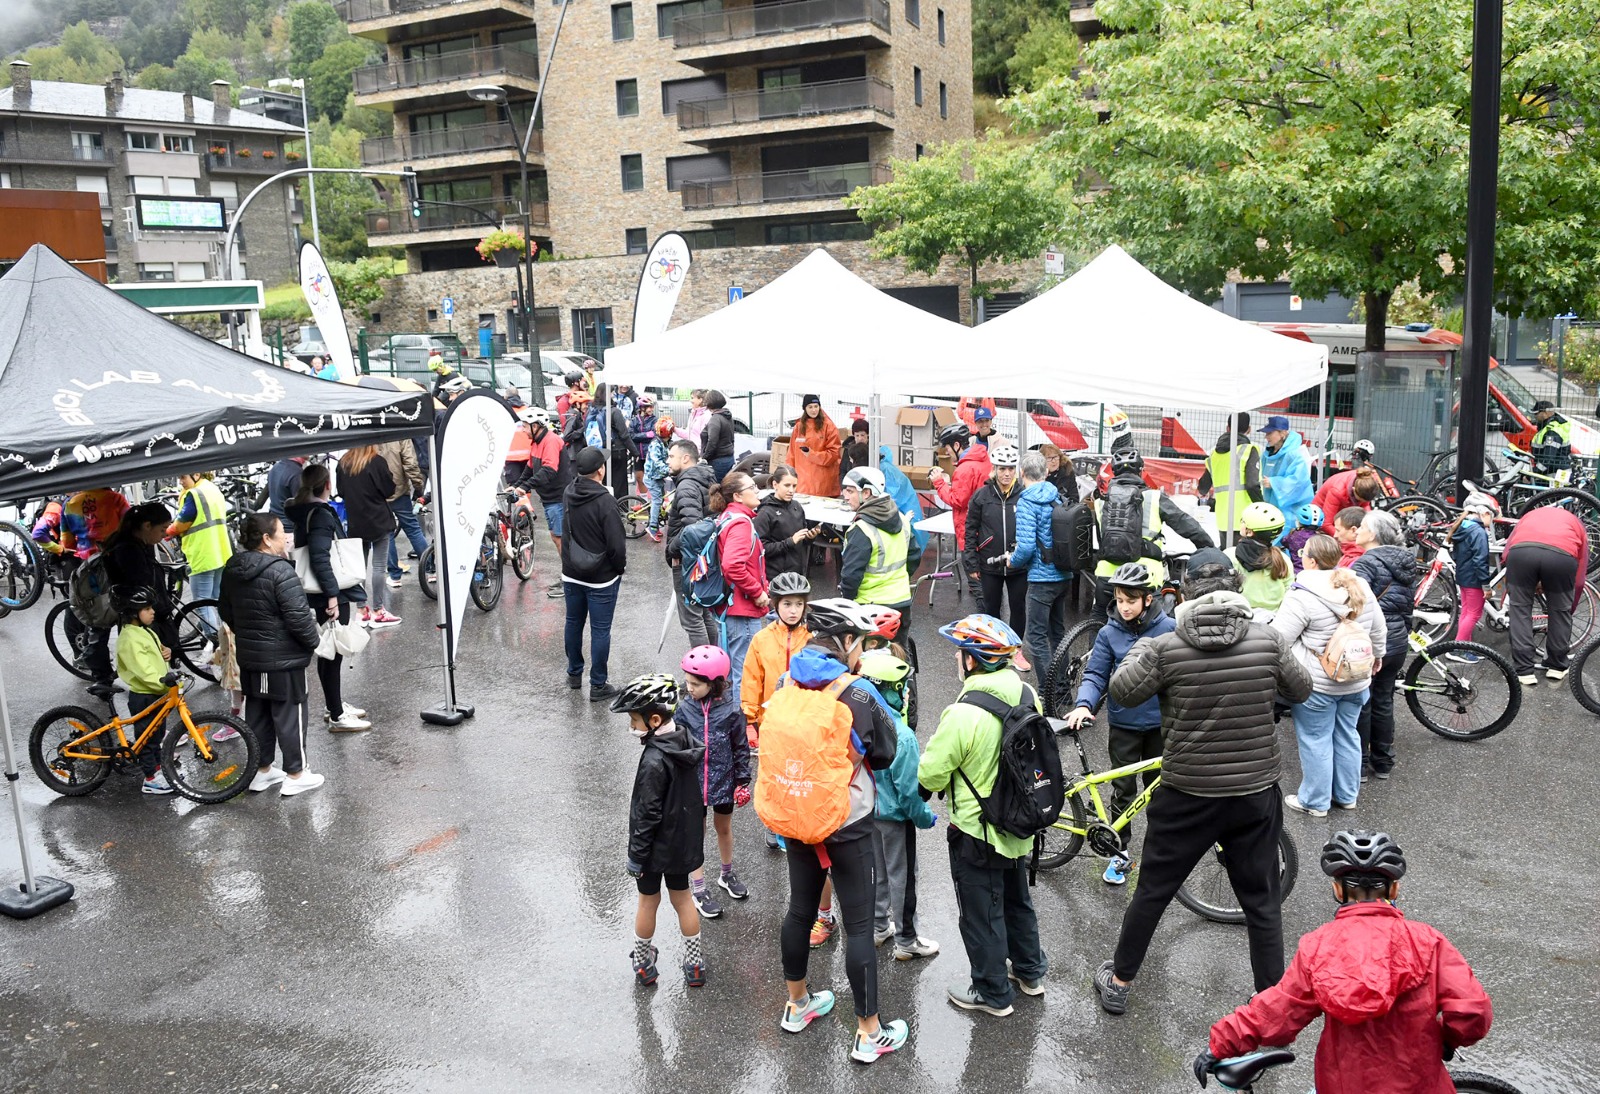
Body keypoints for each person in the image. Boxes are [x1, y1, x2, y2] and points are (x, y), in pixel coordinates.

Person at [1095, 549, 1312, 1013]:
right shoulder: (1267, 640)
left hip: (1187, 793)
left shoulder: (1165, 646)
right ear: (1236, 588)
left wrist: (1139, 646)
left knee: (1153, 889)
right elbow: (1302, 689)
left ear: (1185, 589)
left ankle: (1119, 981)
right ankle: (1270, 1002)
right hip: (1254, 792)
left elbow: (1122, 691)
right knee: (1261, 898)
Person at [1200, 831, 1492, 1094]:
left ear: (1338, 891)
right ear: (1393, 890)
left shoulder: (1318, 946)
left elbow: (1277, 1011)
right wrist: (1447, 1040)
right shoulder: (1428, 942)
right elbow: (1473, 1012)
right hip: (1417, 1082)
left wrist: (1221, 1043)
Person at [756, 598, 907, 1064]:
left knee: (800, 909)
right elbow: (885, 752)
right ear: (846, 643)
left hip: (796, 813)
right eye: (859, 643)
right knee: (859, 923)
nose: (861, 653)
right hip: (847, 821)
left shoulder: (787, 681)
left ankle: (797, 1004)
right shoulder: (858, 692)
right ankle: (868, 1032)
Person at [918, 613, 1048, 1018]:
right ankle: (1030, 974)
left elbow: (932, 771)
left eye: (961, 653)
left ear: (972, 661)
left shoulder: (964, 712)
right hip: (1020, 821)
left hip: (977, 827)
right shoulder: (1027, 693)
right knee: (1016, 898)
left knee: (981, 911)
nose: (958, 660)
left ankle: (992, 993)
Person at [1063, 562, 1175, 885]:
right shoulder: (1108, 632)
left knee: (1161, 792)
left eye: (1131, 600)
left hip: (1160, 724)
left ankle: (1159, 853)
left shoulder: (1168, 628)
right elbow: (1096, 673)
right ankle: (1119, 851)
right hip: (1124, 724)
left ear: (1148, 599)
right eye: (1120, 600)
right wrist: (1083, 704)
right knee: (1123, 792)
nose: (1124, 607)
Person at [1274, 535, 1386, 817]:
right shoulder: (1359, 586)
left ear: (1310, 560)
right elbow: (1377, 628)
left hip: (1316, 684)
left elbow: (1279, 639)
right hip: (1356, 678)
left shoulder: (1302, 594)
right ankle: (1347, 796)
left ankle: (1315, 801)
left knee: (1316, 738)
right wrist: (1378, 657)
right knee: (1348, 734)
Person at [218, 512, 325, 797]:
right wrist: (314, 643)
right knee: (290, 712)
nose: (286, 538)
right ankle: (296, 773)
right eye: (281, 533)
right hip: (284, 659)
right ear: (266, 539)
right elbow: (299, 619)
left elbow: (225, 611)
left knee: (259, 712)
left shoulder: (232, 568)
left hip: (251, 656)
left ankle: (262, 770)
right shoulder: (280, 571)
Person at [613, 673, 707, 988]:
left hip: (653, 851)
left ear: (654, 720)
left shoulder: (653, 759)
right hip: (680, 846)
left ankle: (643, 961)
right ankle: (694, 964)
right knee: (683, 900)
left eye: (635, 719)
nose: (632, 726)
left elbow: (646, 814)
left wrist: (636, 857)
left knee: (647, 902)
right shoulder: (683, 740)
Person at [857, 649, 939, 962]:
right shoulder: (902, 736)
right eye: (902, 686)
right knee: (903, 878)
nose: (905, 692)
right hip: (895, 820)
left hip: (866, 812)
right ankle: (908, 939)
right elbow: (909, 791)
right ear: (891, 689)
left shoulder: (856, 721)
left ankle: (879, 926)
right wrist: (925, 817)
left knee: (875, 871)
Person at [285, 464, 370, 732]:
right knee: (332, 652)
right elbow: (322, 556)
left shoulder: (301, 509)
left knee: (328, 651)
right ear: (327, 484)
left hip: (321, 590)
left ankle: (333, 705)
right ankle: (336, 714)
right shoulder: (319, 514)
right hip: (330, 590)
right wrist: (333, 596)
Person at [1092, 447, 1215, 620]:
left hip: (1107, 576)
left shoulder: (1100, 501)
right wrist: (1208, 547)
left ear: (1114, 472)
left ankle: (1095, 647)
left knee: (1099, 619)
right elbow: (1185, 524)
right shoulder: (1154, 498)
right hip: (1144, 576)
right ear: (1141, 471)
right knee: (1154, 627)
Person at [678, 645, 751, 918]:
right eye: (687, 682)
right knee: (696, 833)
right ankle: (698, 888)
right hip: (693, 784)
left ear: (715, 683)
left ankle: (726, 874)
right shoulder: (684, 709)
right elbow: (674, 745)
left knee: (724, 827)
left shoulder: (731, 711)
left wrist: (742, 780)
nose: (689, 688)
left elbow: (741, 747)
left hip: (723, 782)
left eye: (695, 684)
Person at [1350, 510, 1417, 781]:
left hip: (1370, 641)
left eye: (1361, 527)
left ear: (1373, 535)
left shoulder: (1364, 565)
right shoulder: (1406, 562)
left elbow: (1353, 605)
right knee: (1384, 700)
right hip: (1397, 641)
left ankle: (1361, 763)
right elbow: (1408, 606)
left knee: (1362, 701)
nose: (1356, 531)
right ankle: (1384, 762)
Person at [561, 447, 628, 701]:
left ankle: (574, 673)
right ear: (601, 470)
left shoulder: (569, 491)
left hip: (571, 571)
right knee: (600, 630)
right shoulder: (605, 501)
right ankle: (598, 684)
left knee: (573, 622)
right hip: (601, 577)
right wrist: (618, 568)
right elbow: (616, 544)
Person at [1502, 502, 1588, 686]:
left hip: (1521, 553)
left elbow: (1507, 550)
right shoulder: (1575, 522)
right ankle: (1556, 667)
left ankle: (1524, 670)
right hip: (1561, 556)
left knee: (1520, 610)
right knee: (1559, 612)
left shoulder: (1530, 515)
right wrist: (1570, 606)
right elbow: (1580, 572)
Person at [963, 443, 1031, 669]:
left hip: (1017, 563)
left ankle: (1016, 650)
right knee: (991, 607)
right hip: (989, 562)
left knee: (1018, 607)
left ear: (1016, 470)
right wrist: (971, 561)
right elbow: (970, 529)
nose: (1006, 473)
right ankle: (993, 648)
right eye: (1002, 468)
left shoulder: (1023, 495)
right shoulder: (981, 496)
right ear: (994, 469)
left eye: (1011, 468)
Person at [708, 471, 769, 710]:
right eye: (752, 487)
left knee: (732, 670)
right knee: (743, 672)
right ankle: (740, 727)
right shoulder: (741, 523)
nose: (757, 490)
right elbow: (732, 565)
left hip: (731, 606)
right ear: (737, 496)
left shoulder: (728, 516)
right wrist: (757, 592)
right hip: (742, 609)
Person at [1010, 452, 1070, 673]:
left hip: (1041, 577)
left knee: (1036, 637)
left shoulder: (1027, 502)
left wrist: (1012, 562)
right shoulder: (1057, 496)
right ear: (1046, 472)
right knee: (1058, 634)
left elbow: (1025, 547)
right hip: (1063, 575)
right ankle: (1063, 689)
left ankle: (1048, 692)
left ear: (1021, 473)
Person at [114, 587, 175, 795]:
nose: (153, 612)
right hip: (145, 694)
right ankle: (150, 778)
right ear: (133, 613)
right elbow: (143, 671)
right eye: (147, 609)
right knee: (147, 739)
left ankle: (158, 770)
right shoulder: (129, 638)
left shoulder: (144, 631)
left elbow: (155, 653)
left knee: (156, 736)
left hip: (157, 692)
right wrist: (165, 683)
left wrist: (165, 651)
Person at [839, 466, 919, 625]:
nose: (845, 496)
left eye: (850, 491)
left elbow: (851, 574)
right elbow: (914, 556)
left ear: (866, 493)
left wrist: (847, 601)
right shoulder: (902, 519)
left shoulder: (861, 529)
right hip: (901, 602)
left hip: (870, 607)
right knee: (899, 650)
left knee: (868, 650)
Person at [513, 406, 576, 599]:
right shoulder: (536, 441)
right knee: (558, 537)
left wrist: (526, 487)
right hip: (550, 499)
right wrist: (517, 485)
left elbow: (549, 470)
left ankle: (570, 580)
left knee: (561, 539)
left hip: (558, 497)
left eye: (525, 426)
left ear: (536, 425)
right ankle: (569, 576)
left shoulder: (551, 441)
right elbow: (530, 468)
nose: (523, 430)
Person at [337, 446, 401, 629]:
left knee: (360, 567)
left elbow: (341, 491)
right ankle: (379, 610)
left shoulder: (344, 463)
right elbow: (389, 489)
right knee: (379, 566)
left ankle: (361, 610)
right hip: (379, 520)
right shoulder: (376, 461)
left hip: (356, 520)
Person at [166, 471, 231, 639]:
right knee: (215, 600)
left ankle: (215, 641)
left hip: (202, 553)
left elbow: (181, 523)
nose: (180, 481)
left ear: (196, 474)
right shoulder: (213, 489)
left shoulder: (194, 494)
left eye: (183, 477)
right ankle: (226, 640)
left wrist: (166, 531)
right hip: (220, 552)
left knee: (202, 602)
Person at [665, 440, 718, 649]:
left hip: (689, 561)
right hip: (704, 559)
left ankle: (703, 676)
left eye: (671, 457)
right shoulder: (705, 477)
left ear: (685, 458)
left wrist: (672, 548)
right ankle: (714, 669)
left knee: (693, 620)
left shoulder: (687, 484)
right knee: (705, 615)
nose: (668, 461)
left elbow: (693, 528)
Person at [930, 422, 992, 599]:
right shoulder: (982, 460)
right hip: (986, 531)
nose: (947, 453)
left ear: (956, 445)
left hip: (970, 534)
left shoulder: (965, 468)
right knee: (988, 588)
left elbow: (957, 500)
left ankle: (984, 622)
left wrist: (939, 482)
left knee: (978, 589)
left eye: (948, 449)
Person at [1197, 413, 1262, 533]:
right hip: (1246, 520)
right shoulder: (1249, 451)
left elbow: (1202, 488)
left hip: (1222, 520)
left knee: (1227, 552)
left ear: (1227, 428)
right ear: (1249, 429)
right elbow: (1252, 484)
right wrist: (1262, 506)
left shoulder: (1214, 455)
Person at [1226, 503, 1293, 615]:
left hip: (1240, 617)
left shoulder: (1231, 555)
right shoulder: (1283, 559)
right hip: (1274, 619)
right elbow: (1289, 592)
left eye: (1243, 521)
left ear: (1249, 531)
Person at [1448, 494, 1496, 648]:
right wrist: (1486, 586)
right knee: (1474, 615)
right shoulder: (1479, 532)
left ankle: (1464, 646)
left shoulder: (1463, 527)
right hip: (1474, 580)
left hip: (1463, 577)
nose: (1492, 522)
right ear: (1485, 513)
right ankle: (1458, 649)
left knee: (1466, 612)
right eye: (1492, 517)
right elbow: (1480, 560)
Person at [379, 438, 427, 589]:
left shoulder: (370, 427)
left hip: (377, 491)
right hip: (399, 489)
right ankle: (431, 568)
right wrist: (418, 485)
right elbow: (410, 463)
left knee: (387, 533)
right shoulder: (400, 432)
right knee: (413, 529)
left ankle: (394, 576)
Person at [754, 464, 815, 577]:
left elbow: (801, 540)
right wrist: (790, 542)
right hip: (775, 575)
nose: (791, 490)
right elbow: (761, 548)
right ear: (775, 484)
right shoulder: (765, 512)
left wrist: (809, 537)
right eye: (787, 485)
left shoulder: (797, 506)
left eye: (794, 486)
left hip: (796, 573)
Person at [1258, 415, 1313, 521]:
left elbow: (1299, 482)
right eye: (1266, 433)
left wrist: (1274, 483)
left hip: (1290, 514)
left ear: (1283, 433)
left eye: (1270, 433)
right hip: (1271, 511)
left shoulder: (1294, 454)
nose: (1266, 437)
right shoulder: (1267, 455)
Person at [791, 394, 842, 497]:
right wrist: (789, 474)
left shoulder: (829, 426)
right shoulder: (799, 427)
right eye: (810, 407)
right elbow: (791, 454)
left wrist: (811, 454)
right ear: (805, 408)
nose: (814, 410)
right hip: (802, 483)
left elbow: (834, 454)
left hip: (823, 483)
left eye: (816, 406)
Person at [1313, 467, 1387, 533]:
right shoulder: (1337, 491)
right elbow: (1326, 524)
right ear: (1353, 490)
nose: (1361, 503)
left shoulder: (1367, 482)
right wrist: (1346, 539)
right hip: (1321, 514)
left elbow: (1365, 507)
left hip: (1343, 511)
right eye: (1359, 500)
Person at [642, 417, 674, 543]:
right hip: (652, 478)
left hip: (659, 477)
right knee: (657, 501)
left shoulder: (664, 443)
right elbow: (657, 462)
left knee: (660, 500)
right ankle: (652, 527)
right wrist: (669, 469)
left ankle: (654, 521)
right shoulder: (655, 444)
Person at [1529, 398, 1574, 479]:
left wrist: (1532, 473)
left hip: (1554, 475)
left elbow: (1547, 459)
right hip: (1553, 472)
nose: (1534, 416)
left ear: (1545, 413)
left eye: (1536, 413)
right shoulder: (1550, 427)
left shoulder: (1552, 432)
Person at [700, 390, 736, 481]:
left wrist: (704, 458)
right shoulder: (727, 416)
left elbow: (712, 442)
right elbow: (731, 438)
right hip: (729, 457)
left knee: (716, 489)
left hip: (718, 461)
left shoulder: (715, 419)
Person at [629, 393, 658, 496]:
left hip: (650, 454)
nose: (651, 409)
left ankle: (653, 502)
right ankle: (643, 501)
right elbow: (631, 435)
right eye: (648, 407)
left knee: (652, 479)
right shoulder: (634, 420)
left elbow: (655, 434)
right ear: (641, 408)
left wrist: (639, 436)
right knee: (639, 478)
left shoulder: (654, 420)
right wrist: (646, 434)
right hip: (638, 454)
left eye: (652, 406)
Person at [1282, 502, 1324, 574]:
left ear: (1298, 522)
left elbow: (1284, 541)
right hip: (1315, 572)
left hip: (1295, 572)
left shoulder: (1293, 535)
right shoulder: (1321, 539)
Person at [838, 418, 872, 483]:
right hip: (850, 486)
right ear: (853, 435)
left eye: (862, 435)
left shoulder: (873, 450)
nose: (860, 438)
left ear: (868, 434)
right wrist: (844, 487)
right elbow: (843, 471)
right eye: (857, 435)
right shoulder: (848, 449)